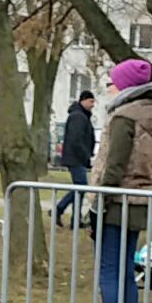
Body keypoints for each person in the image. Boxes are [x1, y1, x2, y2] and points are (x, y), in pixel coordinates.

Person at [83, 58, 152, 303]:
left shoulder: (124, 117)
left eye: (113, 82)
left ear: (126, 86)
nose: (110, 87)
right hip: (138, 200)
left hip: (117, 202)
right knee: (125, 274)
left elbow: (114, 166)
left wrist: (97, 204)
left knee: (110, 272)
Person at [53, 89, 96, 227]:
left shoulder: (81, 115)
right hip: (76, 158)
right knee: (81, 187)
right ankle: (59, 209)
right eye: (91, 101)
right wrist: (86, 156)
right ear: (83, 100)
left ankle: (75, 220)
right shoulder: (78, 116)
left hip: (77, 157)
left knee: (79, 188)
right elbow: (76, 139)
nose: (93, 105)